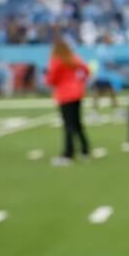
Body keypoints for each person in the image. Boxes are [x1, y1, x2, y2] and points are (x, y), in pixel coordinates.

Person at [44, 35, 90, 166]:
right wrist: (80, 82)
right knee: (77, 123)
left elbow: (51, 79)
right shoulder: (73, 58)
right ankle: (85, 150)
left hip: (65, 94)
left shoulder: (56, 61)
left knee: (68, 125)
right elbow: (86, 70)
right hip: (77, 93)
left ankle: (68, 154)